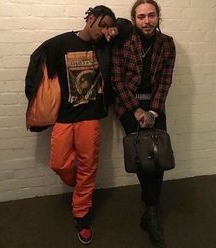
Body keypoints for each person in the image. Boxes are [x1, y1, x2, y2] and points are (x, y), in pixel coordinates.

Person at [25, 5, 132, 245]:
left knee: (88, 165)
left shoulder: (104, 44)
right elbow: (37, 63)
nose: (103, 30)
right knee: (60, 163)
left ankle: (81, 214)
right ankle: (82, 186)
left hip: (91, 117)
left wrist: (113, 29)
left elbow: (127, 27)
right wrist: (33, 95)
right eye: (101, 24)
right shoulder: (60, 43)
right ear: (90, 18)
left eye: (107, 26)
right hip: (64, 116)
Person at [111, 0, 176, 246]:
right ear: (134, 19)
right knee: (140, 156)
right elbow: (116, 80)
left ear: (158, 16)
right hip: (128, 106)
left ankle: (151, 209)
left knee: (158, 158)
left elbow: (165, 80)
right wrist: (137, 109)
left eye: (151, 15)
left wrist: (153, 112)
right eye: (141, 17)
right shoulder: (123, 41)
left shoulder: (167, 43)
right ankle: (152, 209)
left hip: (155, 107)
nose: (146, 21)